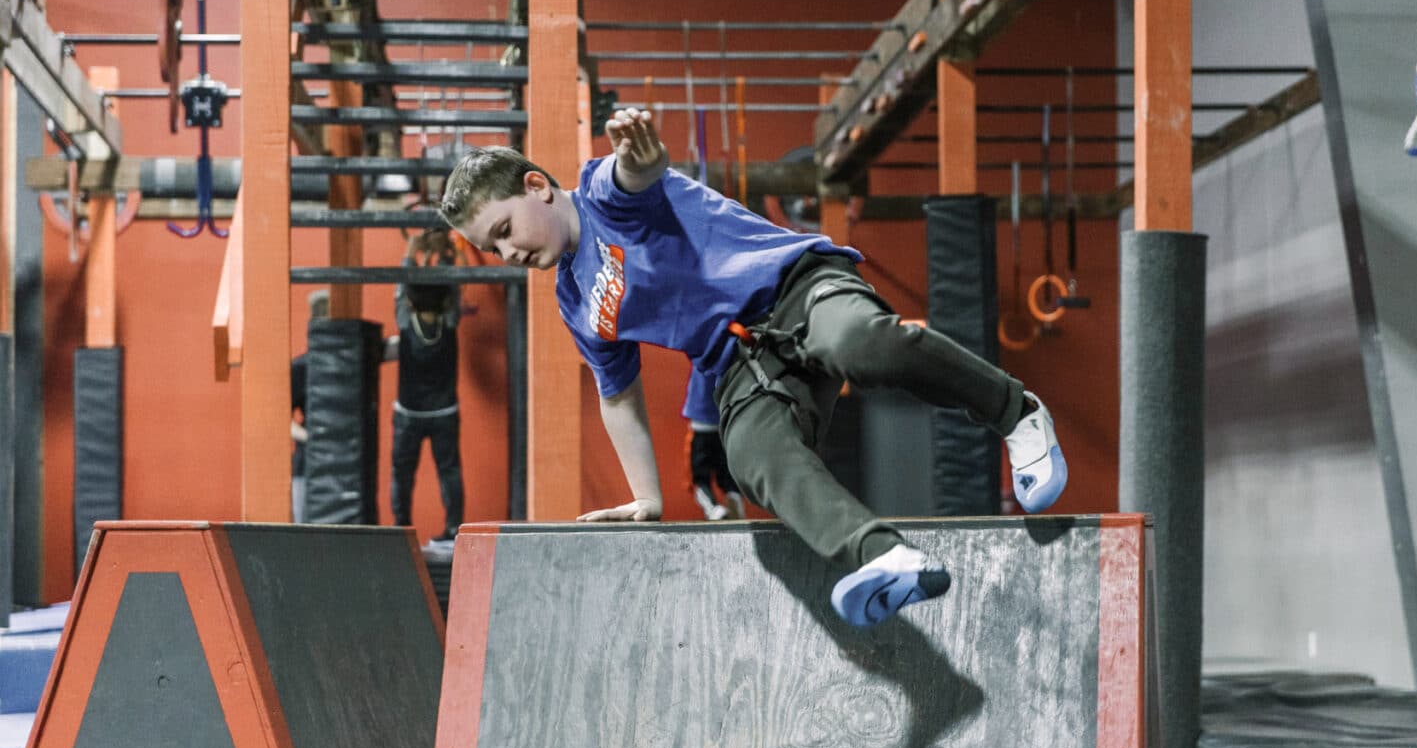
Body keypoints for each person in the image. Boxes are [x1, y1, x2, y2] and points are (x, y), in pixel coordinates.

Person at [438, 108, 1066, 627]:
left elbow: (640, 174)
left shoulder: (602, 191)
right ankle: (885, 558)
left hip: (795, 288)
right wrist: (646, 497)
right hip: (739, 366)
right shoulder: (574, 304)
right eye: (490, 248)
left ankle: (1018, 412)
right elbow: (618, 395)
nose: (506, 251)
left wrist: (641, 154)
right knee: (754, 460)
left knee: (861, 345)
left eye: (504, 229)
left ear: (536, 188)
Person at [384, 230, 465, 544]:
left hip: (410, 412)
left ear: (411, 301)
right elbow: (456, 287)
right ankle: (453, 527)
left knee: (402, 472)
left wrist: (411, 250)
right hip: (444, 411)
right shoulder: (450, 322)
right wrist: (451, 253)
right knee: (449, 471)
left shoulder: (406, 323)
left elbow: (399, 290)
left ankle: (401, 526)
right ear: (444, 299)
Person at [683, 366, 746, 521]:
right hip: (726, 421)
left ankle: (714, 508)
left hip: (704, 420)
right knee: (728, 474)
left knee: (699, 479)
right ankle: (731, 499)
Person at [290, 288, 330, 523]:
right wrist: (311, 438)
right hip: (307, 462)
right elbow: (282, 419)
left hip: (341, 467)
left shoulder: (349, 365)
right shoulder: (301, 367)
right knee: (302, 527)